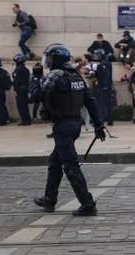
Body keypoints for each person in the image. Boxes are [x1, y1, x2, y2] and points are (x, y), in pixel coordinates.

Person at [31, 43, 105, 217]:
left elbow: (36, 96)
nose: (47, 61)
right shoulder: (76, 76)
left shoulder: (57, 75)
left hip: (63, 126)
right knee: (55, 161)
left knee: (70, 166)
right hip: (74, 125)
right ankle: (49, 198)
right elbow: (90, 101)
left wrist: (35, 79)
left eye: (49, 58)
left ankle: (87, 203)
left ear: (56, 59)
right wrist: (99, 124)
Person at [95, 50, 114, 127]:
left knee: (102, 104)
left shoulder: (103, 64)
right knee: (108, 104)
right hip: (107, 86)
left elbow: (107, 75)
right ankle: (110, 120)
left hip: (104, 86)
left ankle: (101, 121)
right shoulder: (106, 62)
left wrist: (105, 86)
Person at [12, 54, 32, 126]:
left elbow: (16, 80)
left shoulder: (18, 69)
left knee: (21, 105)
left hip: (20, 89)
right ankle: (28, 119)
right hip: (25, 89)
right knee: (25, 105)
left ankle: (24, 120)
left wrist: (15, 89)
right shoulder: (26, 69)